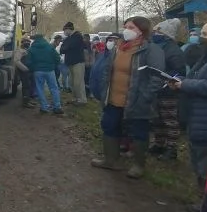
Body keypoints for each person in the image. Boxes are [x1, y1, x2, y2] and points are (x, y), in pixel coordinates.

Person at [91, 16, 165, 179]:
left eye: (131, 27)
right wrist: (104, 91)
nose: (126, 30)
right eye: (126, 26)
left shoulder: (151, 50)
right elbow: (107, 70)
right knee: (109, 126)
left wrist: (145, 96)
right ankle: (111, 160)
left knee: (139, 132)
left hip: (137, 100)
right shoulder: (118, 48)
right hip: (113, 98)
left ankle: (138, 166)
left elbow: (157, 77)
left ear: (141, 30)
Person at [168, 20, 207, 212]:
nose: (200, 37)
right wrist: (178, 81)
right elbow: (196, 77)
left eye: (205, 34)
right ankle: (203, 204)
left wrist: (186, 84)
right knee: (199, 166)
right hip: (197, 119)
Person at [149, 18, 186, 161]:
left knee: (169, 120)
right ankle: (159, 143)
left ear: (165, 34)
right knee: (157, 119)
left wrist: (168, 80)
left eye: (157, 31)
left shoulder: (173, 50)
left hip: (169, 91)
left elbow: (179, 71)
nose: (154, 33)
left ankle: (171, 149)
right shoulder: (156, 47)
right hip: (156, 89)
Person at [27, 34, 63, 114]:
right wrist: (53, 65)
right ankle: (57, 107)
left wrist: (33, 68)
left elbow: (28, 62)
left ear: (35, 40)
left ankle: (44, 107)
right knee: (54, 88)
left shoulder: (31, 49)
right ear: (43, 39)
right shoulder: (49, 47)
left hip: (38, 71)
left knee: (40, 89)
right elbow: (57, 58)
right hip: (50, 70)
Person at [60, 22, 87, 105]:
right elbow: (62, 49)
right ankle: (76, 98)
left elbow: (68, 46)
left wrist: (66, 47)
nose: (64, 32)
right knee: (72, 82)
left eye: (64, 30)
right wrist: (66, 47)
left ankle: (82, 99)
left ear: (68, 29)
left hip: (78, 62)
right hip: (71, 63)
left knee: (78, 82)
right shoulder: (68, 38)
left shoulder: (77, 37)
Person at [16, 38, 33, 108]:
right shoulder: (19, 51)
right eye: (26, 42)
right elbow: (17, 61)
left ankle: (28, 100)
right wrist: (25, 69)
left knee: (28, 86)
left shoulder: (26, 50)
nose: (27, 43)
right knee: (26, 86)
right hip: (24, 71)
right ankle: (25, 103)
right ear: (22, 43)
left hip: (28, 71)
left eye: (28, 42)